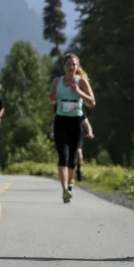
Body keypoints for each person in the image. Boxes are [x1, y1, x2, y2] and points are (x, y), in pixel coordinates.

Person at [49, 53, 96, 203]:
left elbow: (92, 103)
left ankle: (70, 185)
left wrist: (79, 93)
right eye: (69, 64)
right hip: (60, 122)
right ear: (64, 66)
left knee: (72, 159)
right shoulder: (57, 82)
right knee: (62, 156)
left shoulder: (81, 82)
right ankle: (64, 190)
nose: (71, 67)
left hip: (75, 122)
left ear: (78, 66)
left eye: (74, 64)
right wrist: (54, 99)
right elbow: (51, 98)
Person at [74, 117, 94, 186]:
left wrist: (90, 132)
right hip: (67, 137)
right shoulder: (65, 112)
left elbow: (87, 124)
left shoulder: (80, 114)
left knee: (79, 153)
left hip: (79, 137)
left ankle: (78, 171)